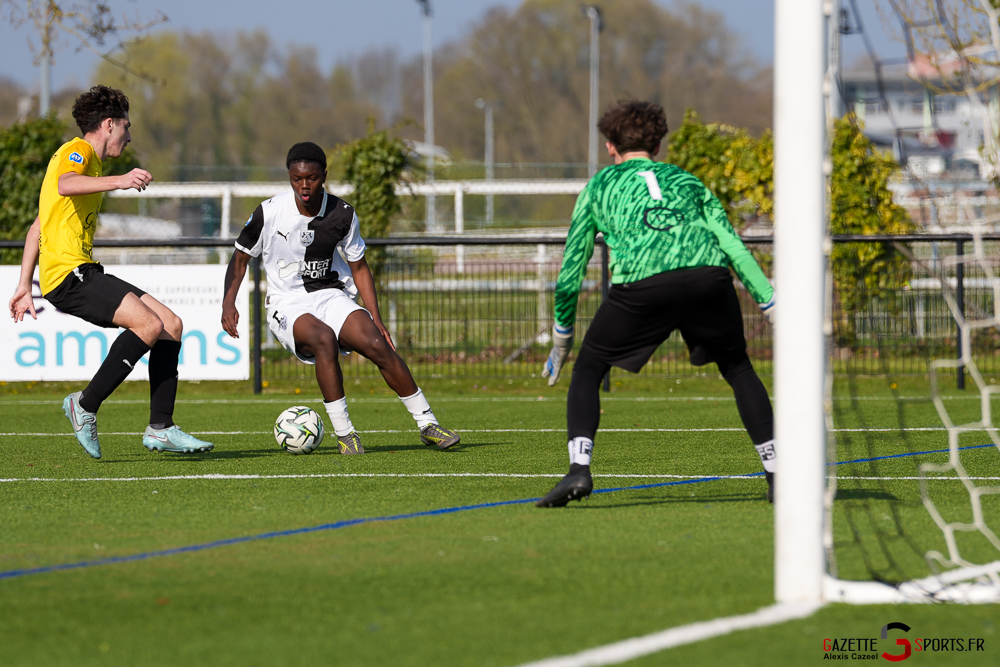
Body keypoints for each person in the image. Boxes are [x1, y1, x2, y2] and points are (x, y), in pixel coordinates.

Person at [537, 100, 776, 507]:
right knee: (737, 367)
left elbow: (572, 266)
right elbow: (732, 244)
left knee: (589, 368)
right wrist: (771, 305)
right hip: (708, 278)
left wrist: (562, 336)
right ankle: (778, 474)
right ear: (658, 145)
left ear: (611, 146)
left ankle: (579, 471)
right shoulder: (688, 182)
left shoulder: (599, 186)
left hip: (642, 286)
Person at [8, 84, 213, 459]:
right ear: (108, 125)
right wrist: (120, 181)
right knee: (148, 326)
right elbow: (65, 184)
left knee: (170, 324)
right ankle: (84, 405)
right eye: (126, 127)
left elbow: (38, 224)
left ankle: (161, 427)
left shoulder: (92, 163)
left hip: (80, 270)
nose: (129, 135)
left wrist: (23, 284)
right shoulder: (78, 151)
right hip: (70, 275)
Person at [221, 142, 460, 455]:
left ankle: (427, 424)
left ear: (324, 176)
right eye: (297, 179)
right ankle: (346, 435)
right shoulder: (269, 211)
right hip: (287, 303)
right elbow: (240, 258)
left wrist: (376, 318)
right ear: (289, 177)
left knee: (377, 344)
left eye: (312, 178)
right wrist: (228, 303)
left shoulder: (342, 214)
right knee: (323, 340)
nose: (304, 186)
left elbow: (359, 268)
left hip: (331, 295)